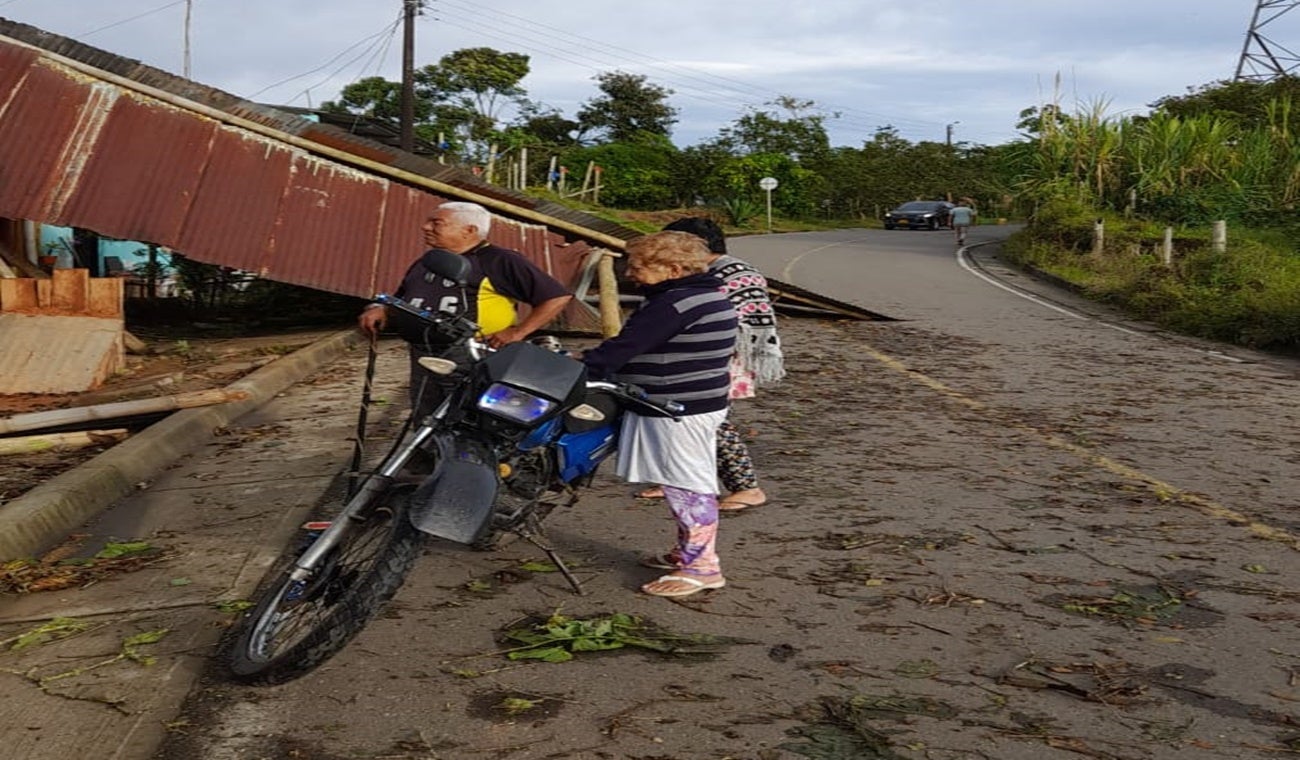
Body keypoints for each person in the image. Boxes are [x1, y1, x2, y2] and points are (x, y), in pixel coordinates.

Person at [572, 231, 738, 598]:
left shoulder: (674, 304)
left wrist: (582, 366)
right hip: (694, 402)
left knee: (687, 484)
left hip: (675, 406)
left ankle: (703, 567)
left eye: (640, 267)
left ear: (674, 269)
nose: (631, 273)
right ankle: (687, 552)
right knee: (684, 480)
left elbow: (626, 348)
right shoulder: (706, 294)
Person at [358, 201, 572, 420]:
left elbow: (556, 297)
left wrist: (518, 332)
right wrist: (381, 308)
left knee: (467, 420)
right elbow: (402, 297)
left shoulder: (500, 260)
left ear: (469, 230)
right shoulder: (427, 261)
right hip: (424, 352)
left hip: (472, 355)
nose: (425, 227)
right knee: (426, 420)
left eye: (436, 223)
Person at [635, 216, 784, 511]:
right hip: (693, 357)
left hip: (720, 358)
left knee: (714, 424)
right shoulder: (702, 270)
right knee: (677, 420)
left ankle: (747, 487)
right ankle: (679, 480)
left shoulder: (734, 271)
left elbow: (721, 320)